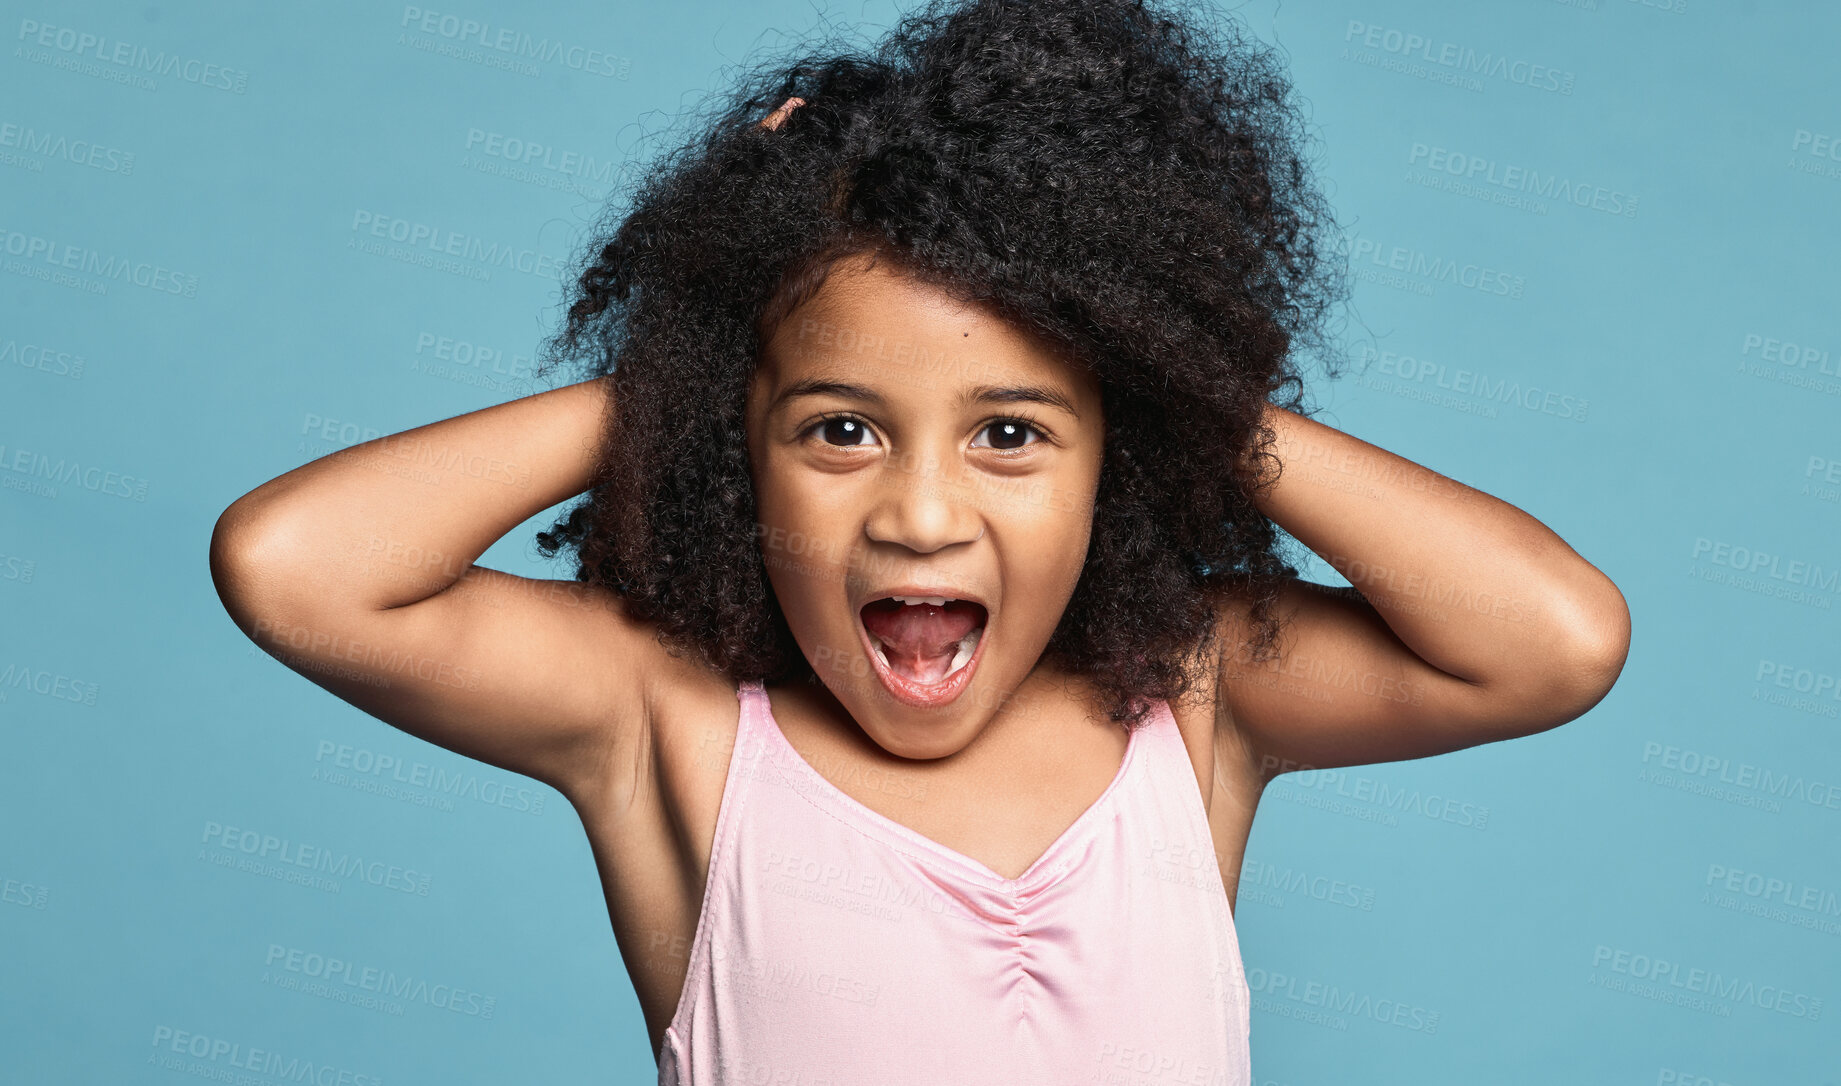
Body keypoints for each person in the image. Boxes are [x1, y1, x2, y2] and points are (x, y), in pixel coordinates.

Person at [208, 1, 1631, 1081]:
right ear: (736, 437)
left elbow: (1552, 641)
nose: (922, 511)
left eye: (1010, 432)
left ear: (1113, 451)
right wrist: (699, 343)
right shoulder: (670, 717)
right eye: (840, 428)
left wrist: (1178, 381)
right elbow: (295, 566)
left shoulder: (1194, 695)